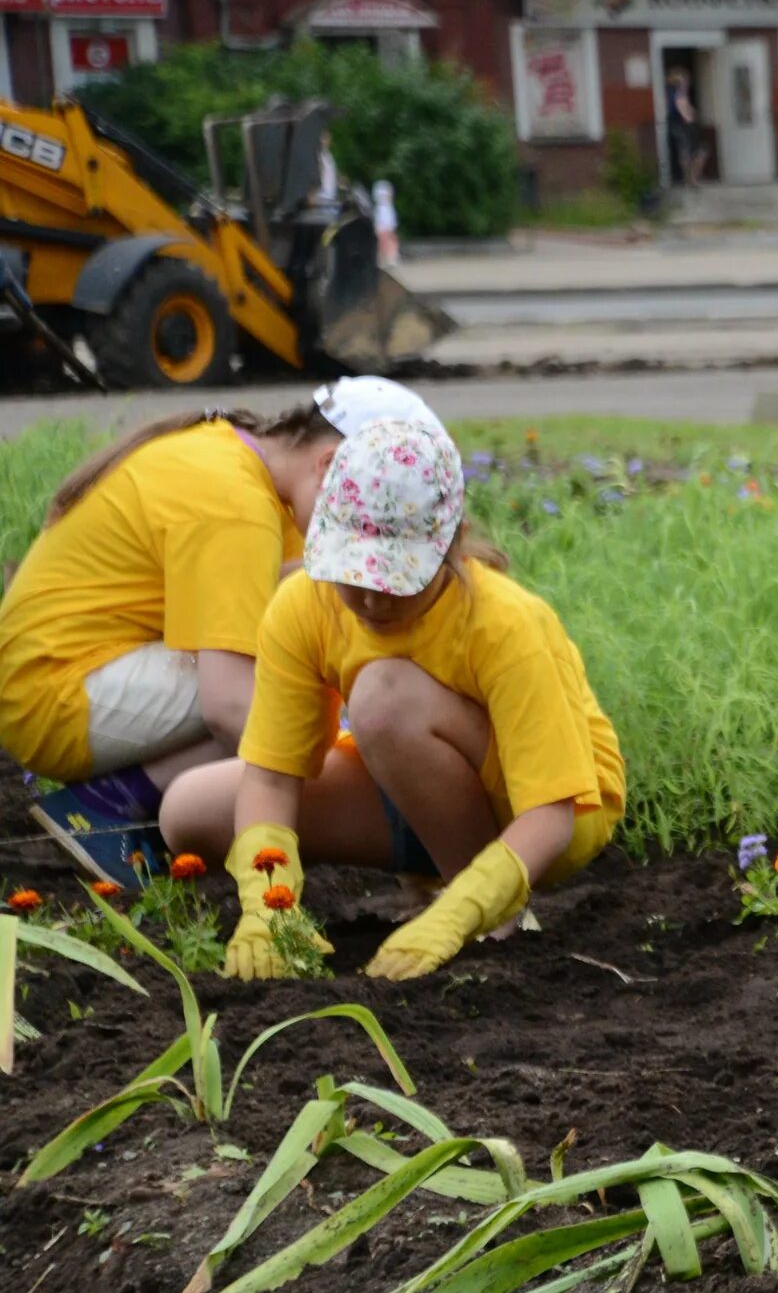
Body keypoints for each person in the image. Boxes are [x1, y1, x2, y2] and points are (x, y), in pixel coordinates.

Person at [157, 418, 626, 981]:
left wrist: (461, 912)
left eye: (397, 579)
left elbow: (551, 813)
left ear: (450, 545)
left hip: (547, 816)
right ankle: (437, 879)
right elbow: (272, 777)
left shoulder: (506, 624)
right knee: (190, 810)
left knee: (384, 697)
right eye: (353, 573)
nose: (372, 601)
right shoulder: (303, 605)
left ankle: (490, 916)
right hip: (411, 780)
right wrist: (268, 905)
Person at [0, 381, 435, 886]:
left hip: (71, 675)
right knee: (290, 691)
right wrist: (352, 783)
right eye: (368, 511)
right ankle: (113, 803)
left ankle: (126, 794)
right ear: (330, 464)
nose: (363, 533)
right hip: (53, 695)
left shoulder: (252, 471)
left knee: (301, 638)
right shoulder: (234, 500)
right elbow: (229, 706)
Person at [667, 69, 706, 188]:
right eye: (685, 80)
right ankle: (691, 180)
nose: (687, 82)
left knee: (688, 152)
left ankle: (689, 180)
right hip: (684, 126)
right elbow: (682, 108)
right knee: (695, 152)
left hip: (679, 125)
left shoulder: (675, 93)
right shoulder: (679, 94)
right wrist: (690, 115)